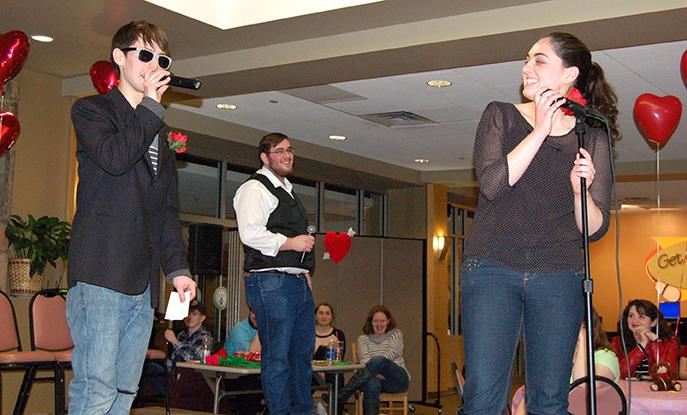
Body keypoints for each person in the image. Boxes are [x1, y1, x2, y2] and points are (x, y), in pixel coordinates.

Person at [461, 32, 618, 415]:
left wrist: (581, 193)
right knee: (483, 398)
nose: (525, 68)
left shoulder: (590, 132)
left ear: (570, 74)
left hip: (559, 274)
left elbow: (595, 227)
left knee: (549, 398)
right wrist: (541, 129)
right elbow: (494, 184)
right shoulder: (500, 113)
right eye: (526, 59)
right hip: (493, 267)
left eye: (539, 60)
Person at [66, 20, 196, 415]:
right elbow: (116, 159)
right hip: (101, 274)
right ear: (119, 58)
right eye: (145, 55)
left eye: (162, 58)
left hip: (141, 287)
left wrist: (177, 269)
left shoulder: (158, 131)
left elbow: (166, 210)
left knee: (123, 396)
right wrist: (152, 107)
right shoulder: (92, 110)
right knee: (97, 392)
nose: (154, 64)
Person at [234, 132, 316, 415]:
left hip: (295, 282)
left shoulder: (287, 189)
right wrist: (291, 243)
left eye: (290, 149)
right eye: (279, 150)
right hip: (271, 280)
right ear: (264, 157)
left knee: (301, 358)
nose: (287, 155)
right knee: (278, 359)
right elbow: (250, 233)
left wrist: (304, 273)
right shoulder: (255, 189)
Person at [513, 307, 620, 415]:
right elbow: (525, 406)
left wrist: (582, 336)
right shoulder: (553, 360)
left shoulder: (606, 356)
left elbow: (583, 386)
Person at [335, 305, 410, 415]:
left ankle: (345, 393)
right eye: (375, 321)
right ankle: (344, 395)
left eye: (382, 321)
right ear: (370, 322)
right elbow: (365, 360)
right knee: (371, 383)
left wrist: (376, 368)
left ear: (388, 321)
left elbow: (390, 354)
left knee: (380, 360)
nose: (379, 324)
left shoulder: (396, 334)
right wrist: (374, 372)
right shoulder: (363, 339)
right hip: (373, 378)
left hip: (397, 380)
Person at [612, 299, 679, 379]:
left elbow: (667, 373)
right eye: (631, 316)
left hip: (657, 389)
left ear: (653, 322)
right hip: (627, 389)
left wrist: (655, 342)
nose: (635, 321)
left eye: (641, 317)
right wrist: (641, 345)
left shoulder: (670, 342)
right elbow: (619, 374)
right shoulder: (617, 342)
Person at [223, 307, 264, 415]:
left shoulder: (272, 330)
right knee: (253, 385)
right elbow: (251, 355)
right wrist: (262, 328)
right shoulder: (240, 329)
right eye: (254, 312)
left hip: (257, 375)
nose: (257, 316)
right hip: (233, 376)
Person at [313, 303, 347, 387]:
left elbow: (339, 358)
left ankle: (334, 399)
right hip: (312, 372)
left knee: (336, 376)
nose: (324, 316)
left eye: (327, 313)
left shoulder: (338, 334)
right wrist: (319, 371)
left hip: (331, 371)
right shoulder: (308, 333)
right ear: (315, 316)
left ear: (332, 317)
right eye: (321, 313)